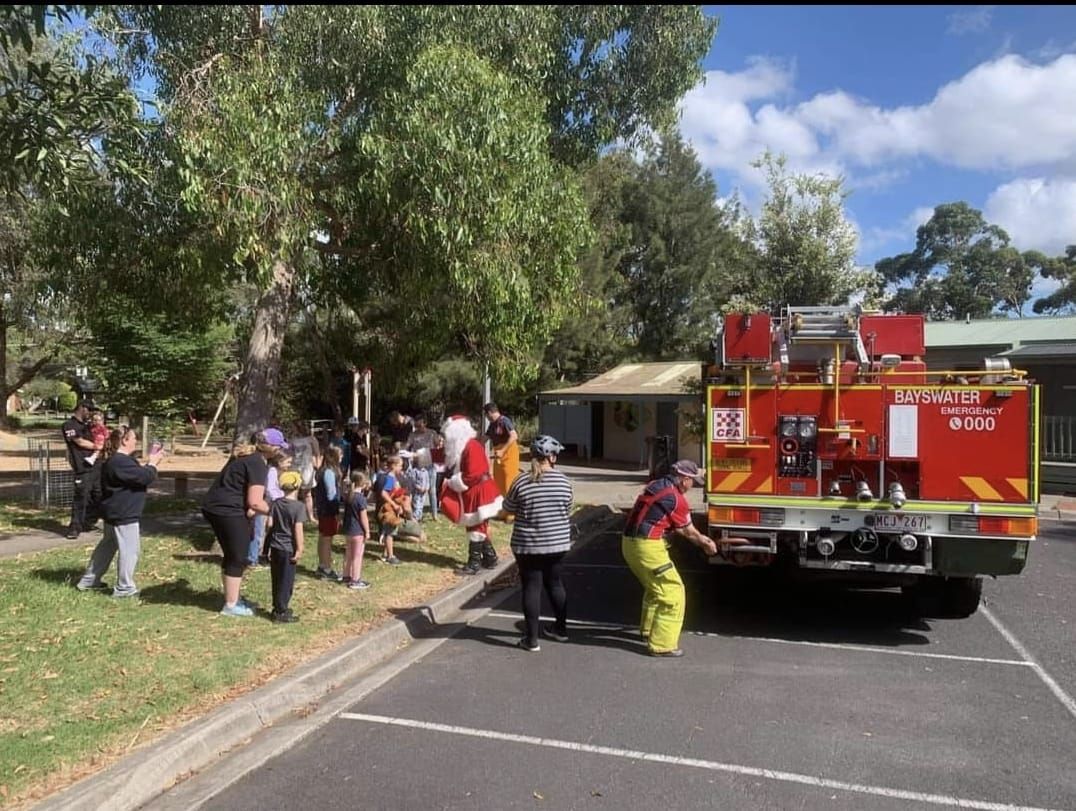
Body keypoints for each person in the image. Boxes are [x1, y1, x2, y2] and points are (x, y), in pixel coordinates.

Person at [621, 459, 722, 658]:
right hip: (647, 547)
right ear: (684, 479)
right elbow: (688, 532)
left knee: (655, 588)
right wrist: (706, 544)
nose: (692, 486)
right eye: (692, 482)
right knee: (673, 593)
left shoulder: (655, 485)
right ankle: (662, 644)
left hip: (629, 543)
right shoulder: (676, 499)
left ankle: (649, 631)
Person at [502, 435, 574, 652]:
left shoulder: (521, 481)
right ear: (551, 457)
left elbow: (508, 510)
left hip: (528, 545)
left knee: (531, 587)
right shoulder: (563, 481)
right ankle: (560, 630)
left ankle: (531, 640)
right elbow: (567, 509)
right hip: (557, 544)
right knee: (555, 584)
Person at [202, 429, 282, 616]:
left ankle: (233, 597)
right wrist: (279, 512)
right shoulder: (257, 464)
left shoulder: (248, 457)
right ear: (270, 447)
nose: (280, 450)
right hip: (225, 510)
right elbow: (254, 501)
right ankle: (230, 606)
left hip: (217, 507)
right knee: (238, 556)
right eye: (279, 446)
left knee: (233, 554)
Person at [76, 425, 163, 598]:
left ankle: (89, 581)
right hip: (123, 514)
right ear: (125, 440)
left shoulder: (117, 461)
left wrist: (148, 465)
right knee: (130, 551)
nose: (136, 442)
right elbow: (144, 477)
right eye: (134, 438)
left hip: (114, 513)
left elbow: (137, 475)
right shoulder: (120, 461)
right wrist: (153, 463)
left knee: (107, 547)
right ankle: (124, 588)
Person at [439, 415, 503, 575]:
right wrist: (419, 456)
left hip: (480, 491)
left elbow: (473, 474)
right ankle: (490, 558)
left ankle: (474, 563)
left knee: (476, 526)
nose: (446, 437)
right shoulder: (461, 446)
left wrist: (453, 482)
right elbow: (442, 455)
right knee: (477, 525)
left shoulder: (471, 447)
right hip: (474, 490)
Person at [266, 470, 306, 623]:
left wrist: (267, 546)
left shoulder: (275, 504)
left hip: (275, 546)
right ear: (297, 487)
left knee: (276, 578)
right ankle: (281, 612)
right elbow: (298, 530)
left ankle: (277, 606)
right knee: (286, 581)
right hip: (288, 549)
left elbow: (269, 524)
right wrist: (299, 548)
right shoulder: (298, 507)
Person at [62, 400, 101, 539]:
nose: (90, 414)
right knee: (81, 498)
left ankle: (88, 521)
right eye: (89, 410)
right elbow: (79, 441)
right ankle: (74, 528)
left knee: (98, 496)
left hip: (96, 467)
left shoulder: (88, 427)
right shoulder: (69, 425)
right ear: (82, 408)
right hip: (82, 468)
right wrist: (96, 446)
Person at [314, 445, 344, 580]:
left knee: (323, 536)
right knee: (327, 538)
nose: (342, 457)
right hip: (328, 510)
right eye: (340, 455)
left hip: (323, 509)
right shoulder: (329, 473)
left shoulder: (325, 471)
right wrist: (336, 511)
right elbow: (331, 494)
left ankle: (322, 565)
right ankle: (326, 568)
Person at [342, 471, 372, 590]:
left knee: (348, 554)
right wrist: (367, 531)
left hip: (348, 530)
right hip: (358, 531)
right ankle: (355, 579)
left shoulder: (349, 496)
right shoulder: (361, 499)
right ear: (364, 484)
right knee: (357, 556)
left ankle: (346, 575)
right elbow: (363, 517)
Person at [407, 414, 440, 519]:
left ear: (425, 423)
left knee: (432, 490)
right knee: (416, 489)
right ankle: (415, 512)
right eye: (417, 424)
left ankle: (434, 514)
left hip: (430, 464)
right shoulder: (412, 435)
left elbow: (438, 445)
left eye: (420, 424)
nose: (418, 426)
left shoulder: (432, 433)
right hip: (417, 465)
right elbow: (407, 445)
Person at [483, 402, 519, 497]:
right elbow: (484, 438)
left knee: (508, 482)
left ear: (489, 413)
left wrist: (503, 450)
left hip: (508, 455)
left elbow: (514, 435)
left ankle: (510, 509)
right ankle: (502, 507)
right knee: (498, 482)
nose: (486, 418)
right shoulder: (492, 425)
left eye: (486, 415)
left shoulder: (504, 421)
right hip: (498, 456)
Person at [375, 454, 405, 565]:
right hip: (389, 511)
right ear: (393, 466)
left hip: (392, 509)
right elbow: (384, 492)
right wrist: (394, 504)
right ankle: (390, 556)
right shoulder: (390, 478)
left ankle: (385, 553)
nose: (401, 468)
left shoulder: (393, 478)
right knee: (390, 533)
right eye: (400, 466)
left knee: (390, 531)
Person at [289, 420, 320, 524]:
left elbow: (317, 453)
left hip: (307, 468)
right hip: (294, 467)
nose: (292, 429)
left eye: (294, 427)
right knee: (294, 492)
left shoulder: (311, 439)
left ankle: (310, 516)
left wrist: (317, 464)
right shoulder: (292, 439)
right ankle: (294, 515)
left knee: (307, 493)